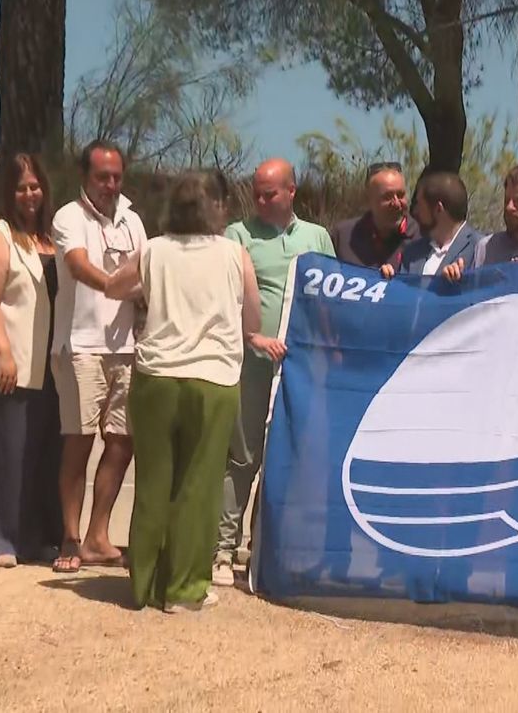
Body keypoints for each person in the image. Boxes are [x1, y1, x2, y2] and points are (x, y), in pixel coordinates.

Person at [106, 171, 274, 612]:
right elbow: (252, 321)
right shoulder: (235, 255)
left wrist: (154, 286)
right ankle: (183, 590)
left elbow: (112, 286)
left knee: (154, 482)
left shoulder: (154, 249)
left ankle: (143, 584)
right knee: (197, 486)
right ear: (216, 207)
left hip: (156, 376)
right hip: (212, 379)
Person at [213, 158, 333, 587]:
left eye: (271, 193)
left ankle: (265, 547)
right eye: (257, 193)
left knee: (286, 457)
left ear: (292, 191)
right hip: (251, 363)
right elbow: (222, 298)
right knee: (242, 456)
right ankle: (222, 550)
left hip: (300, 367)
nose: (262, 201)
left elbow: (330, 296)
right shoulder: (237, 236)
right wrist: (251, 337)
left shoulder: (317, 237)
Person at [50, 140, 148, 573]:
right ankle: (69, 538)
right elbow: (76, 264)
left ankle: (97, 536)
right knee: (79, 443)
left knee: (122, 441)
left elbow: (148, 270)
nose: (110, 184)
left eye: (115, 176)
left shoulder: (132, 220)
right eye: (101, 177)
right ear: (84, 177)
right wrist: (112, 283)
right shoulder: (68, 216)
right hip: (80, 346)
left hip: (126, 348)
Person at [0, 153, 64, 568]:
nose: (30, 194)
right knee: (4, 453)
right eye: (21, 187)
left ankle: (32, 538)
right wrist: (3, 351)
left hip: (49, 365)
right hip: (10, 361)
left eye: (35, 186)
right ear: (7, 192)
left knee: (39, 456)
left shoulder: (51, 239)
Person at [382, 171, 480, 278]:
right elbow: (404, 290)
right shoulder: (412, 252)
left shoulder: (480, 250)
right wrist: (389, 281)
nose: (415, 211)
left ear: (438, 208)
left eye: (419, 204)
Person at [333, 161, 419, 269]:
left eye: (401, 195)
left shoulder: (424, 238)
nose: (396, 203)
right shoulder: (342, 236)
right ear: (368, 200)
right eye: (387, 197)